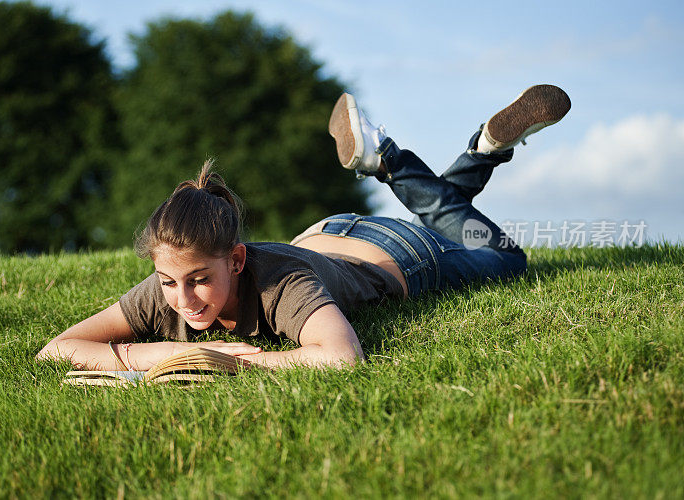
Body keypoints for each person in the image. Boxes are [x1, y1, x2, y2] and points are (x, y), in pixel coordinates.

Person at [37, 85, 571, 370]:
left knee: (507, 260)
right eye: (170, 282)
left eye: (200, 279)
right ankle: (482, 151)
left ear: (237, 259)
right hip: (326, 234)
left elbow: (341, 359)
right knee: (441, 210)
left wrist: (243, 366)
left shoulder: (281, 286)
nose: (183, 300)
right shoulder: (170, 283)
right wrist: (179, 353)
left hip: (395, 255)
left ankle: (392, 159)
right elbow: (56, 349)